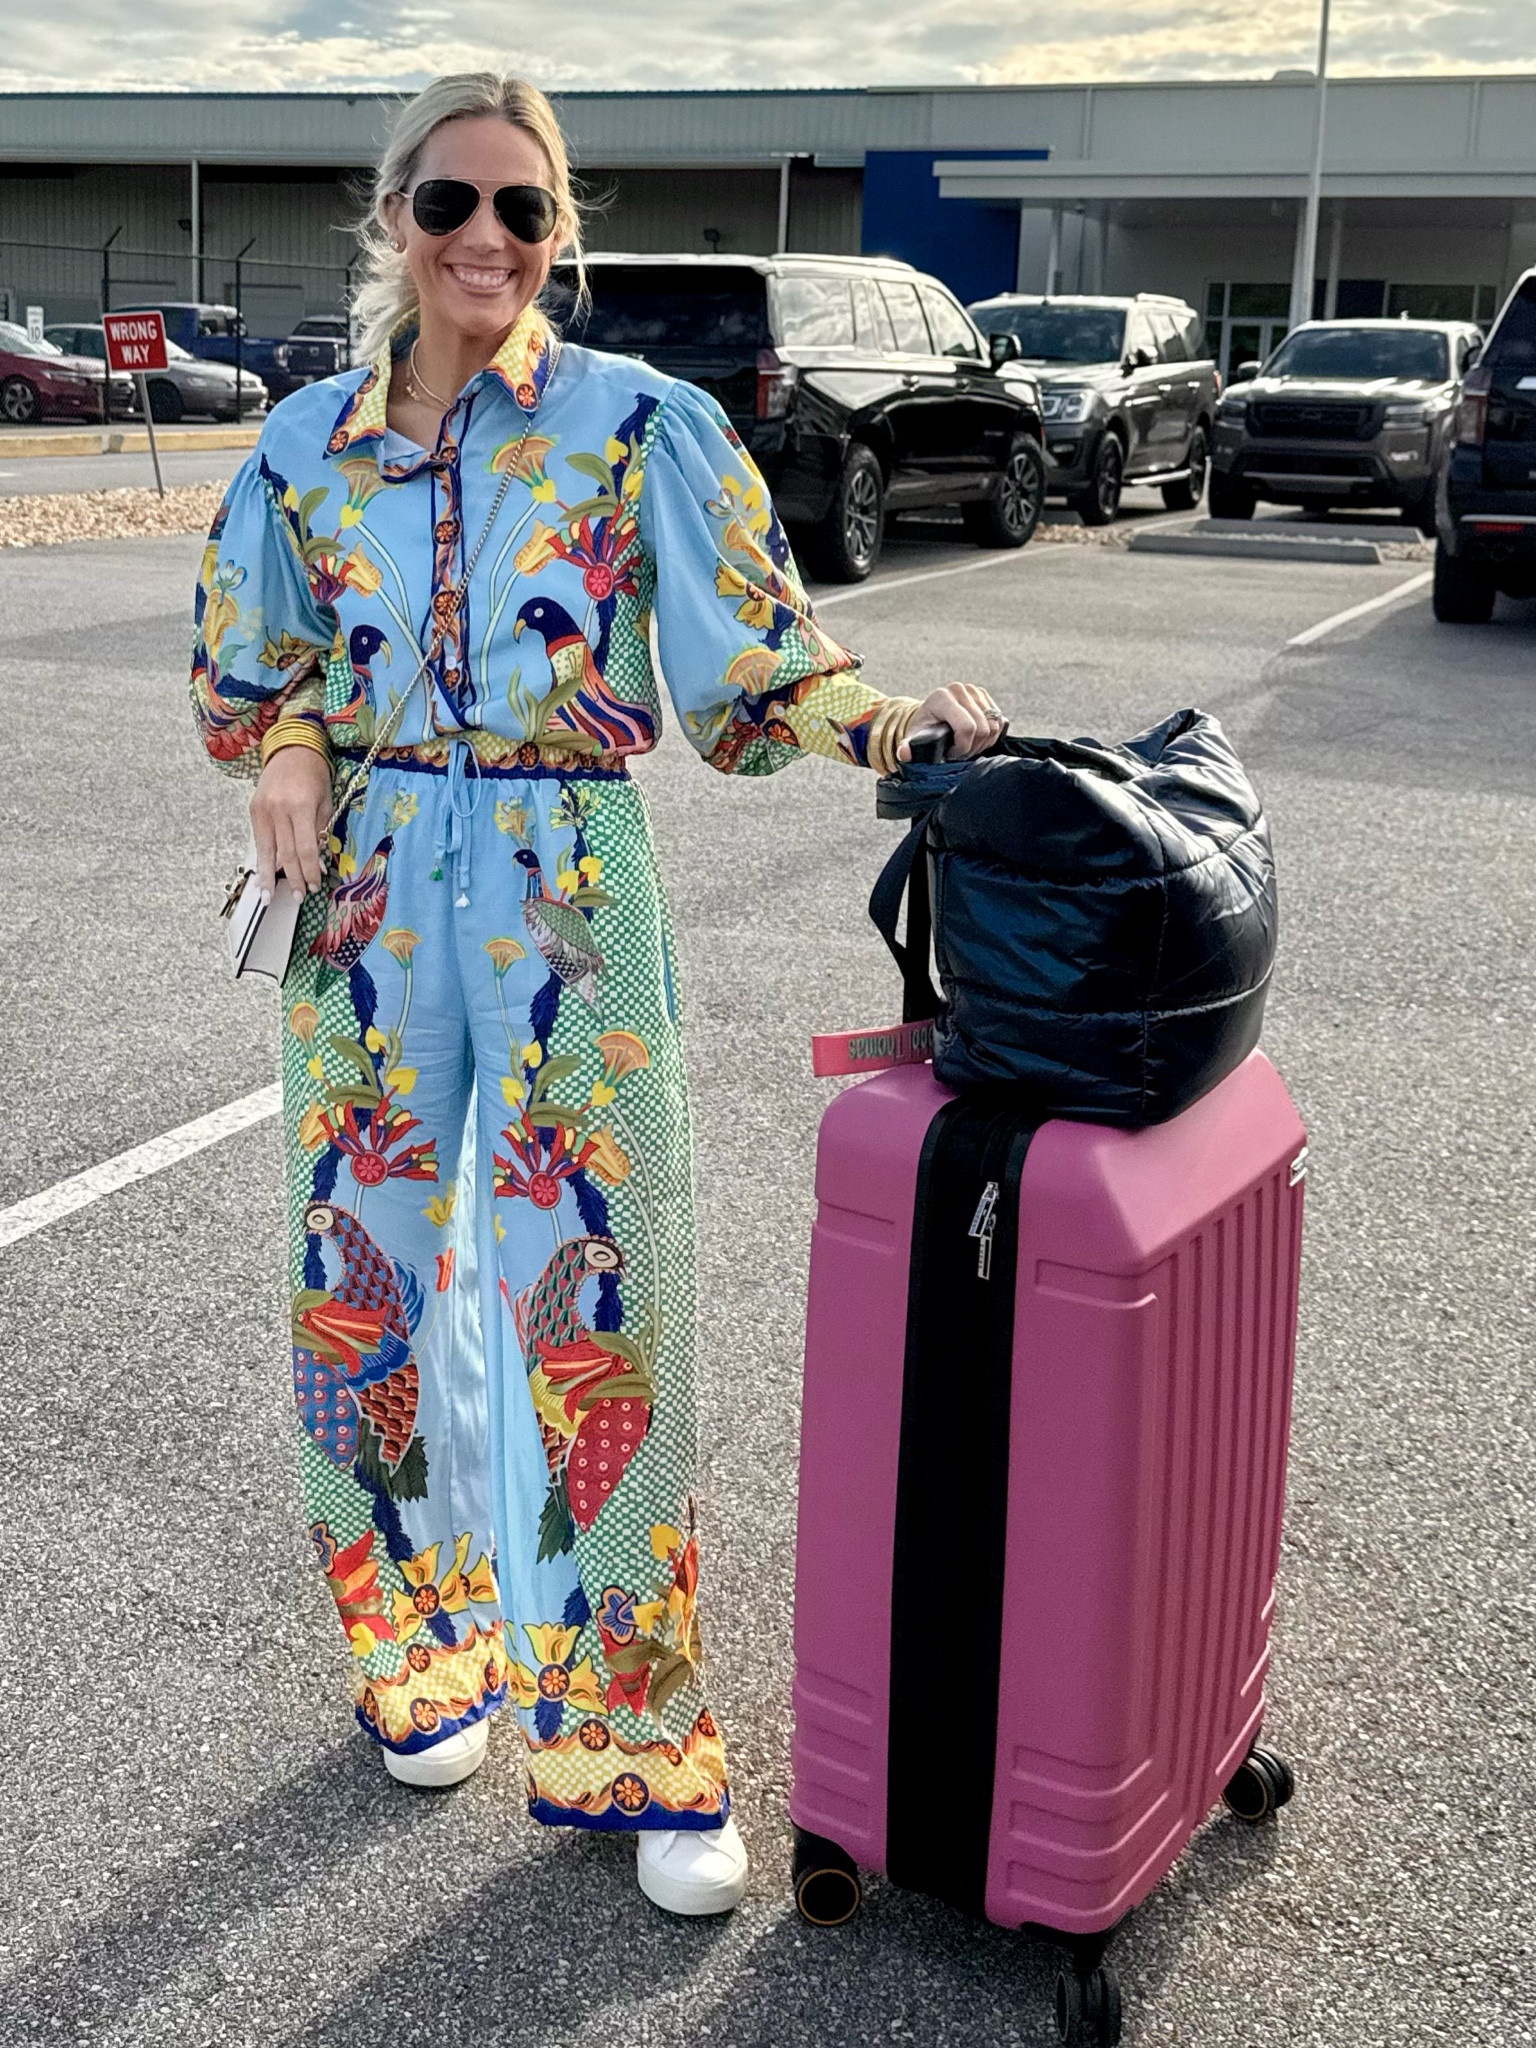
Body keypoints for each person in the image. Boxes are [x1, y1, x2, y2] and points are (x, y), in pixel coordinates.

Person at [190, 70, 1004, 1917]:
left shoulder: (645, 429)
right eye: (453, 201)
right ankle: (420, 1654)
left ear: (565, 232)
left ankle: (635, 1741)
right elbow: (260, 667)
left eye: (526, 209)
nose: (489, 237)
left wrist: (890, 719)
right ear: (394, 215)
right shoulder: (306, 443)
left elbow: (746, 672)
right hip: (368, 896)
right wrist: (296, 748)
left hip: (569, 881)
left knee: (607, 1309)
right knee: (362, 1289)